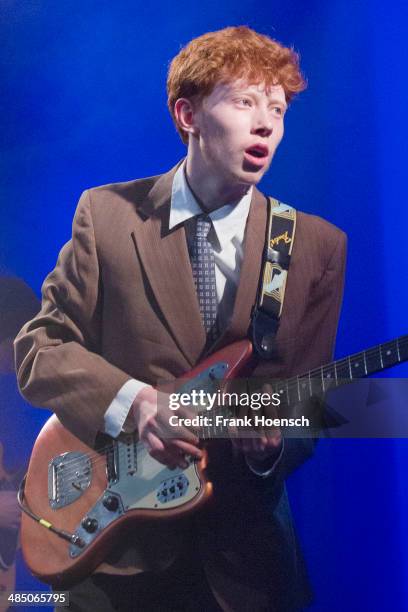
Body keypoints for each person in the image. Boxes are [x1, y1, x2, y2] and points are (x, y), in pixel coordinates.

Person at [14, 26, 347, 612]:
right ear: (187, 113)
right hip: (116, 556)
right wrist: (136, 403)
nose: (267, 123)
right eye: (244, 101)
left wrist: (270, 447)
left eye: (278, 107)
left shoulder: (315, 246)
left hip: (244, 566)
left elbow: (304, 406)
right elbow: (40, 350)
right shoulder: (108, 216)